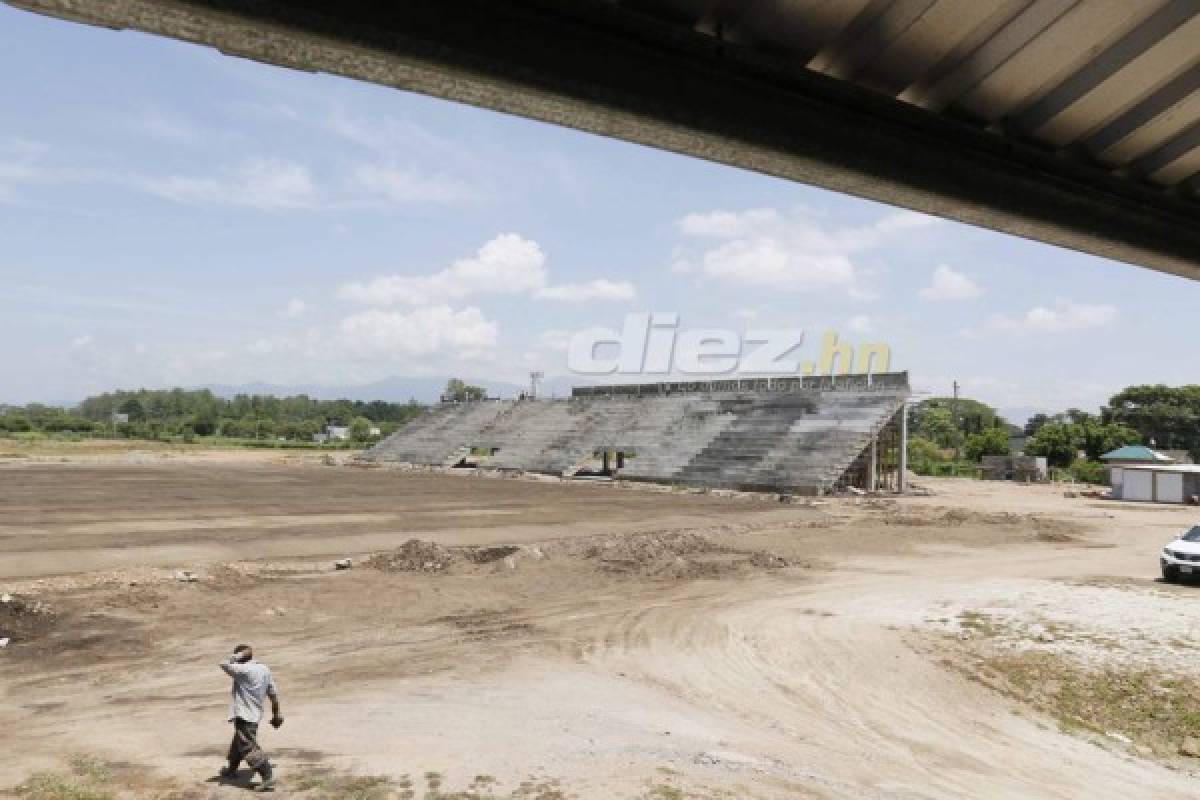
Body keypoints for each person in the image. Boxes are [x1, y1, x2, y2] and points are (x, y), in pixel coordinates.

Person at [218, 644, 283, 791]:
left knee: (248, 747)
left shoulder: (243, 670)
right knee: (238, 743)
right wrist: (276, 713)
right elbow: (272, 693)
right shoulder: (263, 669)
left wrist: (236, 656)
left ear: (240, 658)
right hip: (255, 714)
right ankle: (231, 769)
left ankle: (267, 776)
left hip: (244, 715)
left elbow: (223, 664)